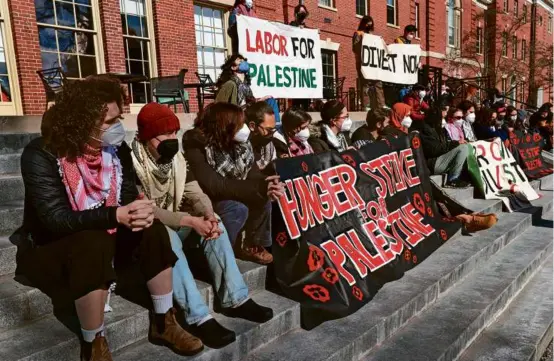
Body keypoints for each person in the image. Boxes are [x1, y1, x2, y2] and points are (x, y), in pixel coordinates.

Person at [18, 76, 204, 361]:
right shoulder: (41, 154)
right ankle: (94, 343)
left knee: (153, 229)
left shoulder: (116, 150)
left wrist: (139, 209)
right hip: (52, 248)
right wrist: (114, 215)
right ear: (80, 122)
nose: (117, 128)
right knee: (90, 241)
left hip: (108, 236)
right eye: (108, 122)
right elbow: (55, 219)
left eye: (118, 118)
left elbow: (128, 194)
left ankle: (164, 320)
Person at [131, 103, 273, 349]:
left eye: (175, 132)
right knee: (166, 235)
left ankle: (235, 298)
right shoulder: (133, 162)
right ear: (147, 136)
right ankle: (198, 316)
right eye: (165, 134)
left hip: (176, 221)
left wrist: (207, 213)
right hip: (143, 235)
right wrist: (188, 220)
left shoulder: (176, 159)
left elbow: (193, 191)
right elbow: (146, 211)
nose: (172, 139)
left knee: (214, 220)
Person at [183, 102, 282, 264]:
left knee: (265, 197)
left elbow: (254, 174)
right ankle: (217, 255)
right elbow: (214, 185)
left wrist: (269, 184)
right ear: (223, 126)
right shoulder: (197, 145)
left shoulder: (241, 146)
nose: (244, 128)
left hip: (232, 190)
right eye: (239, 124)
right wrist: (258, 187)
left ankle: (251, 244)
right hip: (205, 199)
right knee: (237, 208)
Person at [215, 54, 280, 124]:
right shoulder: (230, 84)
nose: (243, 62)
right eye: (239, 60)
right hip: (238, 116)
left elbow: (250, 102)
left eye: (243, 60)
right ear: (233, 67)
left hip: (248, 111)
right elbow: (218, 106)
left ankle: (275, 126)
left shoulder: (246, 86)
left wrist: (260, 100)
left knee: (271, 100)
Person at [418, 106, 471, 188]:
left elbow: (444, 144)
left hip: (439, 159)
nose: (442, 120)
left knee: (465, 146)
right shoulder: (426, 130)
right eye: (441, 117)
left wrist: (455, 143)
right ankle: (452, 179)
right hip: (433, 163)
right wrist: (455, 143)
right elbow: (434, 149)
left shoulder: (436, 128)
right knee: (462, 148)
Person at [353, 16, 386, 110]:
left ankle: (381, 105)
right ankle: (366, 105)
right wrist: (363, 41)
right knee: (365, 84)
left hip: (374, 64)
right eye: (367, 24)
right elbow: (355, 48)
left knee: (378, 83)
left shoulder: (373, 36)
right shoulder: (358, 34)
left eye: (371, 24)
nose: (369, 26)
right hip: (363, 63)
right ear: (363, 23)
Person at [245, 101, 277, 171]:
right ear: (252, 126)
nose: (271, 134)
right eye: (268, 130)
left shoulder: (269, 144)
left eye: (273, 130)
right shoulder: (241, 149)